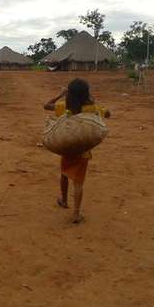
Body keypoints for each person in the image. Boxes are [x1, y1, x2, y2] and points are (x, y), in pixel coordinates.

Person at [43, 78, 110, 224]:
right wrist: (93, 100)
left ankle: (64, 200)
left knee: (64, 174)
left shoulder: (64, 108)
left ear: (70, 94)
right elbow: (108, 113)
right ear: (86, 94)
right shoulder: (92, 109)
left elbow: (46, 106)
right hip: (83, 152)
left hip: (67, 150)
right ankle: (76, 214)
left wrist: (60, 94)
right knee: (78, 183)